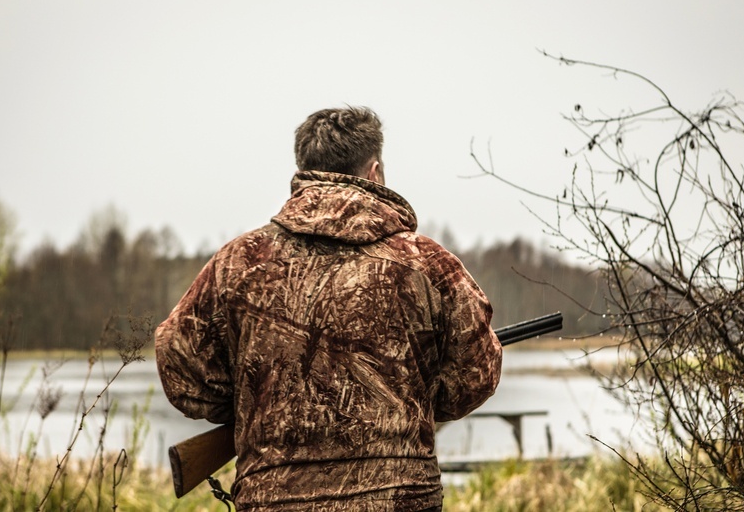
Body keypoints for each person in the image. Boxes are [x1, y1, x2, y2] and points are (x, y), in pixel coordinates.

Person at [155, 106, 502, 511]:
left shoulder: (238, 262)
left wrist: (254, 401)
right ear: (375, 172)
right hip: (398, 500)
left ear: (302, 172)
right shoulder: (426, 262)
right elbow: (475, 375)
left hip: (273, 501)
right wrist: (413, 398)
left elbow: (179, 362)